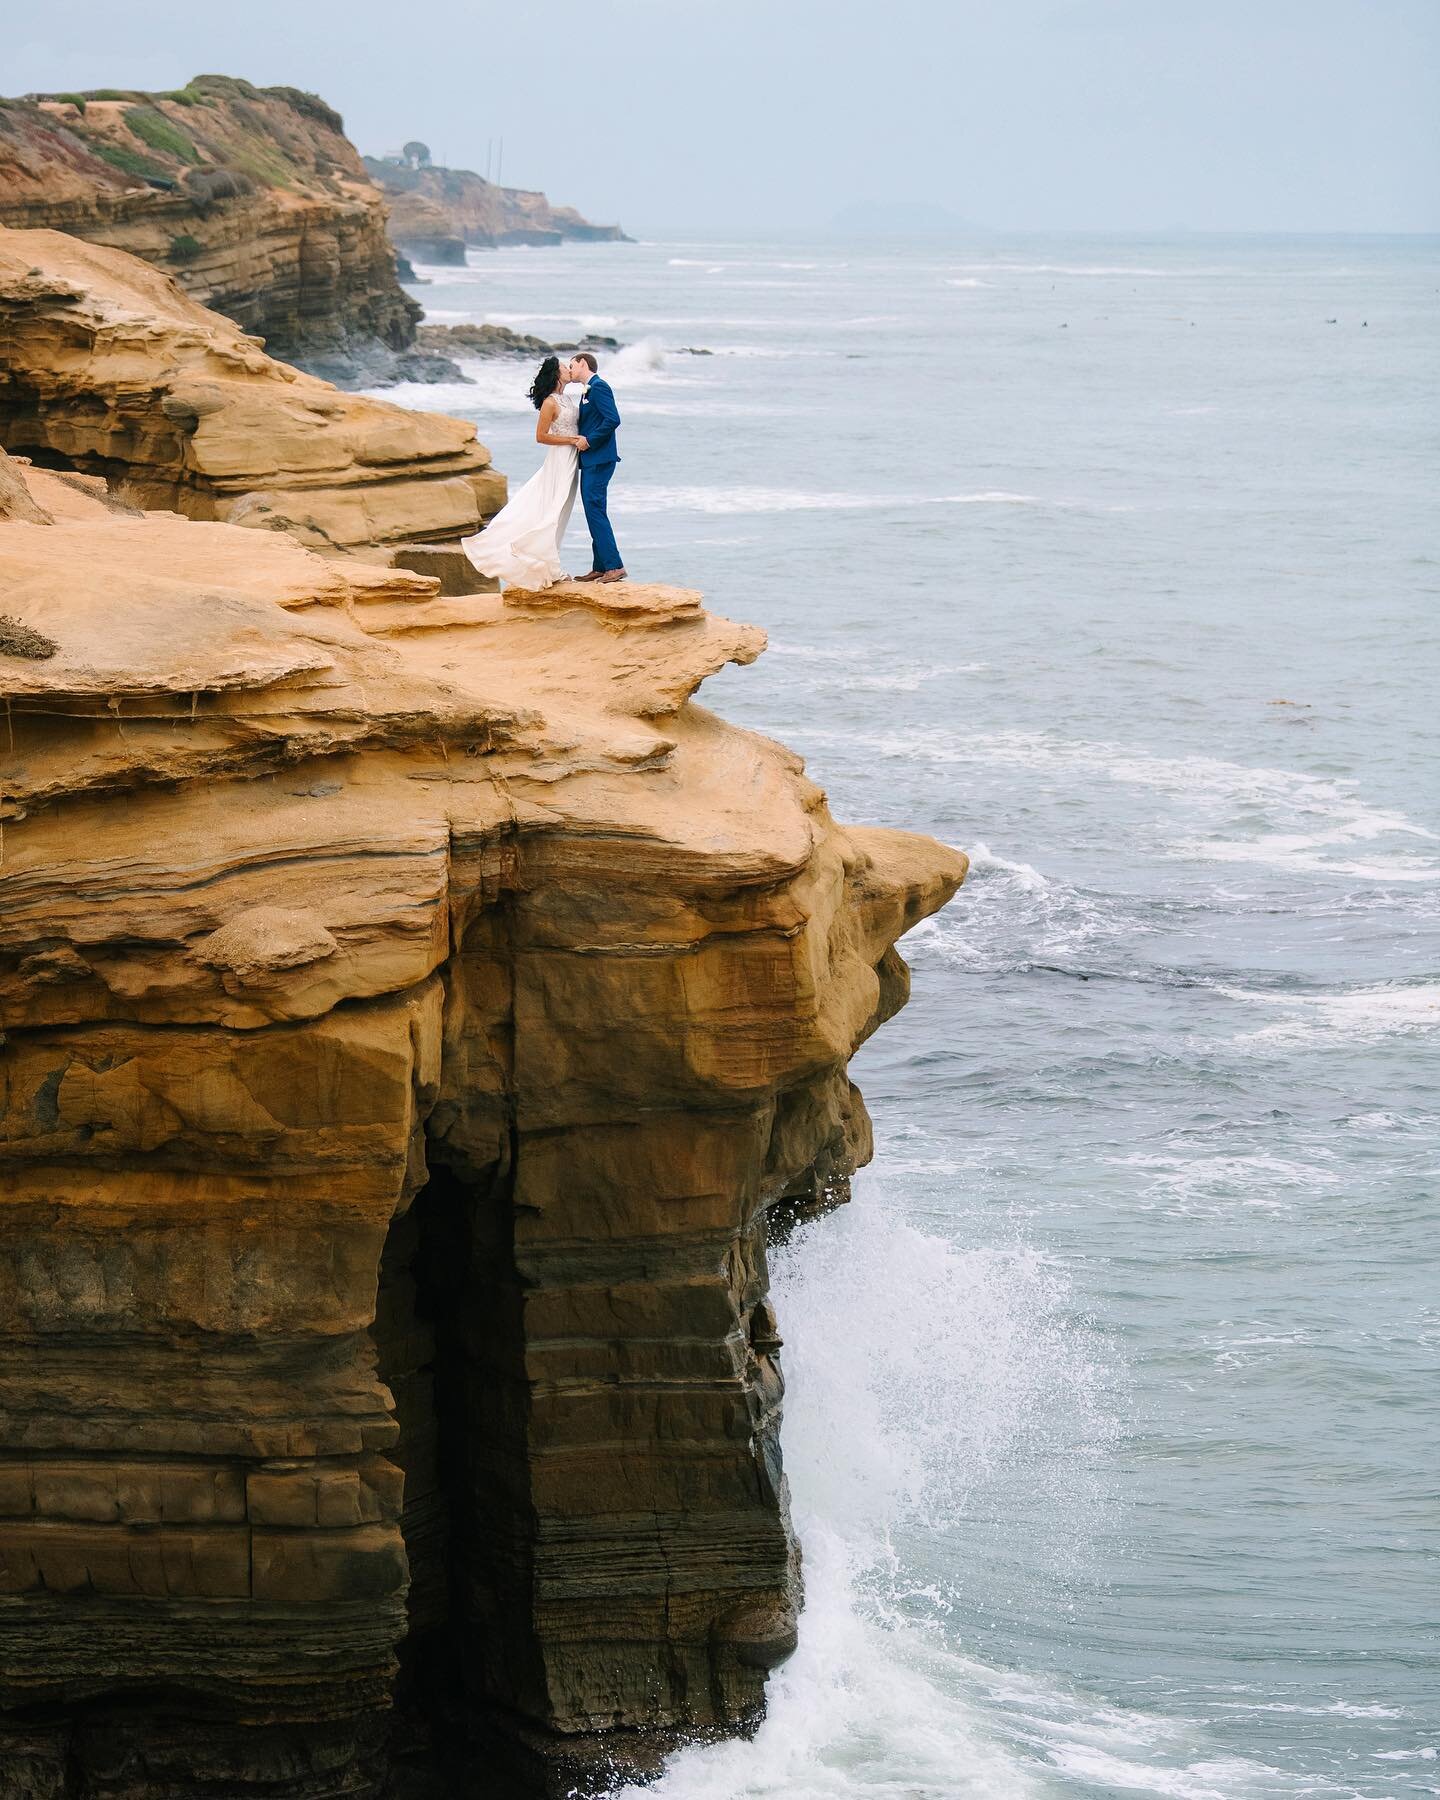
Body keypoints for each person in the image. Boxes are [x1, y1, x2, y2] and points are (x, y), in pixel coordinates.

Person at [460, 355, 582, 588]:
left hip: (571, 458)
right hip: (559, 459)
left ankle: (547, 563)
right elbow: (541, 436)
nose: (569, 369)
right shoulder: (550, 402)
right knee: (553, 510)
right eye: (564, 367)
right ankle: (548, 567)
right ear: (556, 373)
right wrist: (572, 440)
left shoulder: (566, 398)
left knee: (561, 511)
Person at [569, 351, 626, 584]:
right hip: (593, 460)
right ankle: (601, 566)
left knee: (595, 510)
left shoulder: (599, 387)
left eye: (571, 366)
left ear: (583, 364)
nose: (569, 370)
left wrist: (589, 440)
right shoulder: (588, 390)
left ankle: (614, 566)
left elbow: (613, 419)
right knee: (594, 511)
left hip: (600, 459)